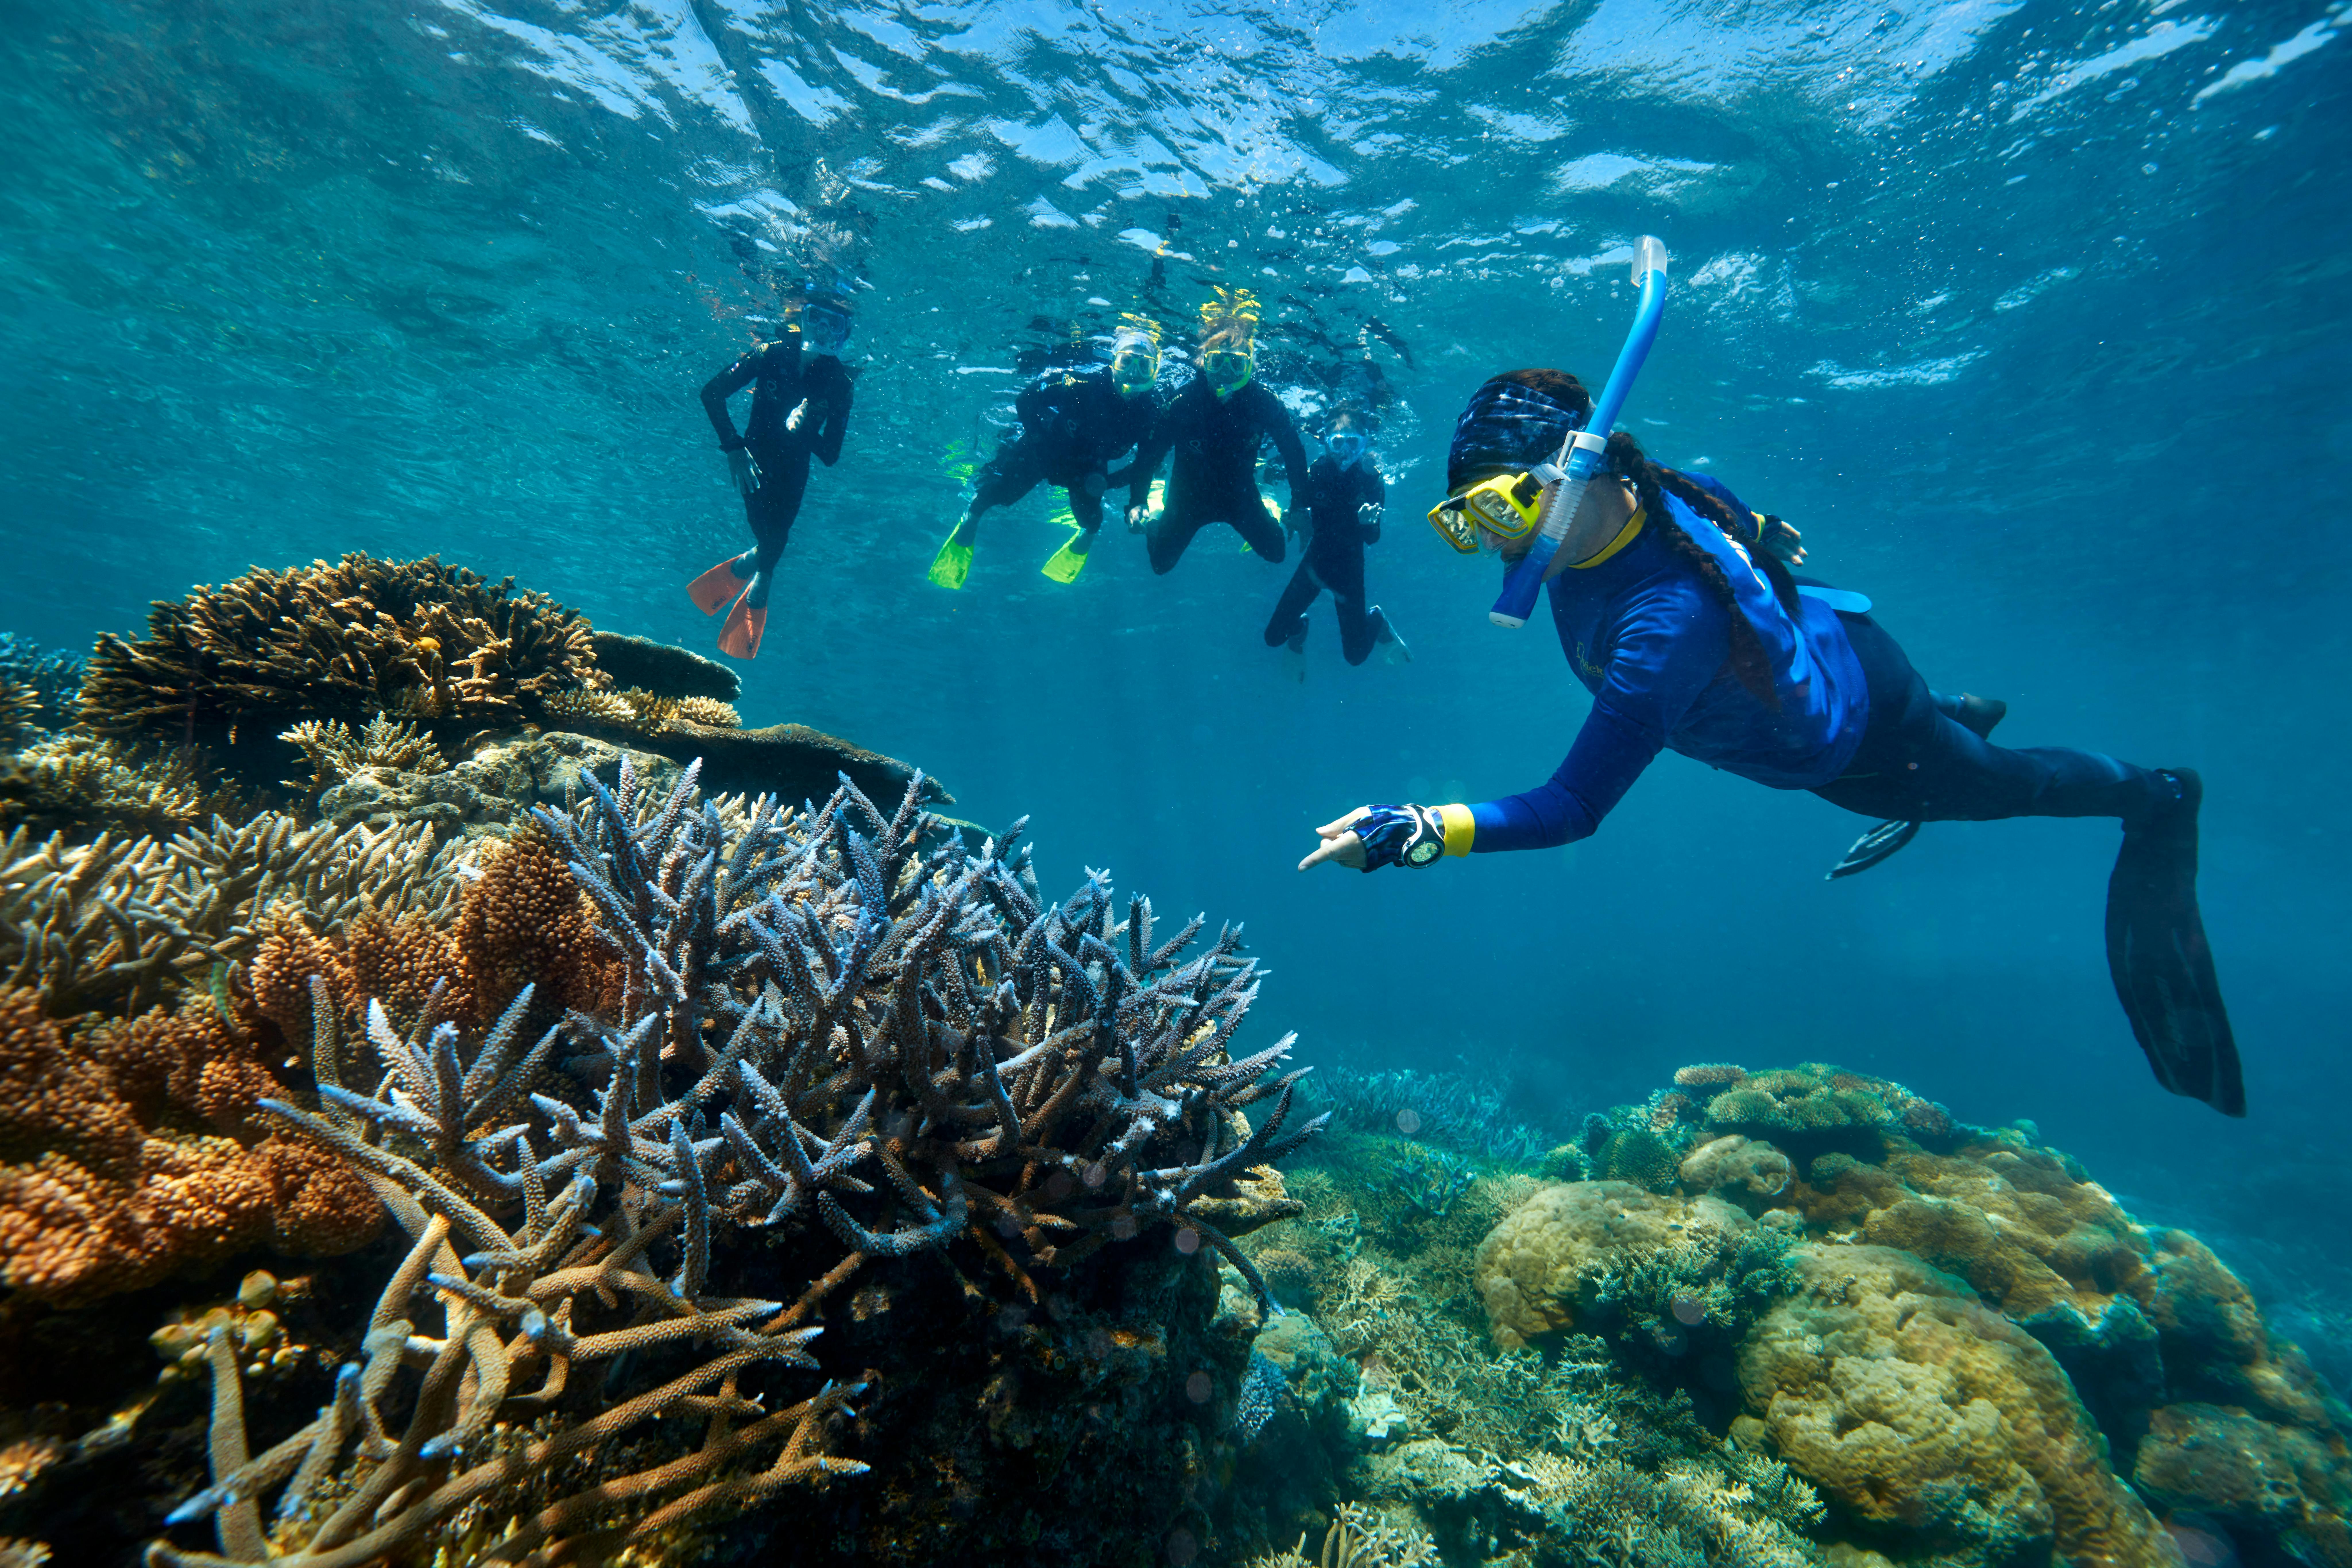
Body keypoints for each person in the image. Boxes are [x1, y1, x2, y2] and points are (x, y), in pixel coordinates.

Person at [1298, 367, 2242, 1117]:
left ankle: (2156, 795)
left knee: (2007, 785)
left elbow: (1571, 808)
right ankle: (1955, 709)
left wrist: (1417, 830)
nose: (1493, 541)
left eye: (1502, 506)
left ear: (1576, 472)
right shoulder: (1637, 499)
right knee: (1933, 736)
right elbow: (1734, 518)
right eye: (1463, 521)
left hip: (1871, 745)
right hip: (1839, 664)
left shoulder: (1659, 625)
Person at [685, 293, 856, 660]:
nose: (823, 328)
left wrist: (805, 427)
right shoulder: (770, 353)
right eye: (816, 317)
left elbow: (830, 454)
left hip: (794, 473)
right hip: (753, 461)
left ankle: (758, 566)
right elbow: (712, 393)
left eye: (835, 323)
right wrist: (733, 448)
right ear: (803, 318)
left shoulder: (840, 383)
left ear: (844, 333)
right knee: (770, 534)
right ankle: (761, 573)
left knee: (775, 537)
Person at [929, 320, 1162, 589]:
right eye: (1127, 362)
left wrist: (1135, 501)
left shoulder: (1150, 414)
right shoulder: (1082, 386)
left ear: (1155, 371)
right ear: (1113, 362)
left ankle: (1085, 536)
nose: (1134, 373)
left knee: (1093, 520)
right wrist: (1041, 440)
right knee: (999, 493)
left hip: (1087, 469)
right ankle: (972, 516)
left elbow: (1145, 464)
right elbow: (1026, 400)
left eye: (1144, 366)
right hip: (1045, 451)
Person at [1124, 289, 1308, 574]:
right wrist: (1137, 502)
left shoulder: (1265, 403)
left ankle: (1272, 509)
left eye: (1236, 365)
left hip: (1240, 495)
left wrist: (1298, 506)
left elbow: (1293, 452)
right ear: (1203, 362)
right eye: (1217, 362)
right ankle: (1158, 514)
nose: (1225, 373)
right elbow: (1149, 455)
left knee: (1276, 552)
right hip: (1186, 496)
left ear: (1250, 366)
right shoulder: (1183, 403)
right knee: (1160, 564)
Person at [1261, 408, 1408, 676]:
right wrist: (1292, 518)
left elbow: (1373, 539)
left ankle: (1377, 619)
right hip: (1315, 564)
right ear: (1327, 442)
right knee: (1273, 637)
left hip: (1350, 570)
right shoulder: (1317, 471)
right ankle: (1299, 629)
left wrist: (1368, 524)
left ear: (1364, 443)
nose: (1345, 452)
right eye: (1338, 443)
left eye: (1353, 443)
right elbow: (1300, 506)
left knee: (1355, 656)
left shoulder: (1372, 479)